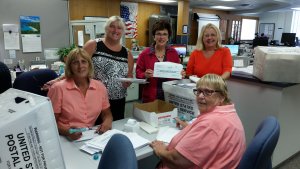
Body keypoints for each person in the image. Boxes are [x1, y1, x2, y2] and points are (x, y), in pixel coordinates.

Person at [150, 74, 246, 169]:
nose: (200, 96)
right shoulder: (228, 112)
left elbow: (176, 161)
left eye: (207, 92)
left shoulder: (211, 124)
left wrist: (159, 150)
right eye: (199, 91)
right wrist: (190, 127)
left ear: (221, 97)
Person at [47, 48, 113, 140]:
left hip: (90, 136)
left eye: (83, 62)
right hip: (63, 137)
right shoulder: (58, 88)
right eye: (75, 63)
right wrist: (67, 132)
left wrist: (107, 122)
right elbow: (49, 122)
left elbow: (107, 113)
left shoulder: (100, 87)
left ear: (89, 65)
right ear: (70, 66)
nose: (80, 66)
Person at [83, 16, 134, 122]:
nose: (115, 30)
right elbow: (77, 68)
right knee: (94, 130)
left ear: (123, 31)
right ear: (106, 28)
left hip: (118, 100)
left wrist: (129, 80)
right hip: (95, 99)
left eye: (119, 28)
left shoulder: (127, 53)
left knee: (115, 128)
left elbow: (129, 75)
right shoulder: (93, 45)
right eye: (112, 27)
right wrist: (58, 80)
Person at [136, 20, 184, 103]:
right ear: (154, 36)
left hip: (170, 96)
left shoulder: (173, 53)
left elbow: (177, 74)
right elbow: (138, 73)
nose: (161, 37)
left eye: (165, 34)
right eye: (158, 34)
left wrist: (181, 74)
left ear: (168, 37)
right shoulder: (145, 54)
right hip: (151, 97)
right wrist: (145, 75)